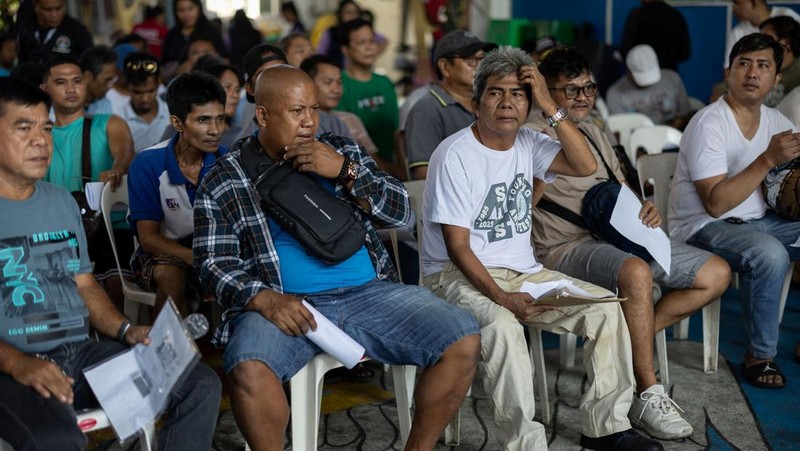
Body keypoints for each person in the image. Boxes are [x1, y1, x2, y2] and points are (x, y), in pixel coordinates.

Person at [193, 64, 480, 450]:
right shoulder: (225, 178)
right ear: (262, 115)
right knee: (249, 365)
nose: (310, 121)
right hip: (285, 303)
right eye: (297, 112)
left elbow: (402, 212)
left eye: (313, 109)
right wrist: (264, 299)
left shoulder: (340, 150)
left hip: (369, 293)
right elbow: (212, 263)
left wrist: (346, 171)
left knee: (461, 335)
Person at [420, 45, 662, 451]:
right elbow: (457, 247)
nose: (508, 102)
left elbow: (585, 165)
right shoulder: (455, 154)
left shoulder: (529, 142)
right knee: (502, 326)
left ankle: (606, 428)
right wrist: (503, 298)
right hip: (453, 274)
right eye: (496, 92)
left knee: (605, 309)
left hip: (523, 271)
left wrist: (551, 105)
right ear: (476, 101)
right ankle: (525, 443)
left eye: (518, 93)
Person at [0, 76, 221, 451]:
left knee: (199, 384)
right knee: (57, 437)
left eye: (47, 128)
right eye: (24, 128)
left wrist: (125, 330)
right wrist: (17, 363)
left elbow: (85, 284)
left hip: (80, 355)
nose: (41, 140)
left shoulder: (60, 202)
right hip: (11, 368)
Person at [528, 47, 731, 440]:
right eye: (570, 91)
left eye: (589, 87)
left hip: (620, 235)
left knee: (716, 273)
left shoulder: (596, 131)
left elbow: (618, 188)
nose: (584, 97)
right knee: (636, 274)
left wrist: (646, 209)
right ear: (546, 94)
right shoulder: (531, 135)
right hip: (566, 247)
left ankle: (625, 341)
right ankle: (646, 391)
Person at [668, 33, 800, 389]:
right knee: (768, 254)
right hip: (703, 225)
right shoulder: (709, 122)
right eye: (743, 64)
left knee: (770, 242)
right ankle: (760, 355)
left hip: (760, 221)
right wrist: (768, 158)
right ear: (728, 73)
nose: (752, 73)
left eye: (763, 66)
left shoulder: (778, 122)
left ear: (775, 79)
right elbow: (716, 202)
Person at [128, 72, 227, 317]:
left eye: (220, 119)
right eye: (203, 120)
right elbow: (148, 239)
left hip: (217, 249)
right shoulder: (148, 163)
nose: (214, 130)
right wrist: (196, 258)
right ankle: (169, 352)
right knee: (170, 276)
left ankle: (230, 348)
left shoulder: (229, 161)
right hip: (163, 253)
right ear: (178, 123)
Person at [39, 56, 135, 307]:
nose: (71, 89)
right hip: (57, 232)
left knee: (116, 284)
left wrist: (117, 168)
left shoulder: (108, 123)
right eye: (61, 82)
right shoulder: (40, 135)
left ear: (86, 83)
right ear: (45, 88)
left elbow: (125, 150)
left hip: (109, 228)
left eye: (77, 81)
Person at [405, 30, 497, 180]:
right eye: (471, 60)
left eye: (481, 59)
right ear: (445, 67)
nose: (479, 66)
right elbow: (423, 174)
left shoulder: (487, 103)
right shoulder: (427, 109)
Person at [234, 44, 349, 142]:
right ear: (250, 88)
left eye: (283, 71)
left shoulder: (333, 124)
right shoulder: (243, 148)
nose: (309, 122)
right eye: (265, 75)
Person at [337, 18, 402, 175]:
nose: (369, 47)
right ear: (346, 49)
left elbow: (396, 133)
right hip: (358, 171)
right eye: (361, 42)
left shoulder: (385, 82)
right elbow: (346, 140)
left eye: (372, 41)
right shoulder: (338, 84)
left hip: (391, 168)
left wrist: (401, 168)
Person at [606, 44, 693, 130]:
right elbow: (621, 132)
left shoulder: (672, 78)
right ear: (628, 70)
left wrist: (679, 122)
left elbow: (686, 114)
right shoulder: (615, 94)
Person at [115, 52, 170, 152]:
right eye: (138, 92)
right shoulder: (118, 121)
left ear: (159, 83)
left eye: (150, 91)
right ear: (127, 87)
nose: (145, 99)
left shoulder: (172, 115)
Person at [162, 0, 226, 82]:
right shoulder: (172, 35)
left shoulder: (210, 32)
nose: (186, 14)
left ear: (199, 8)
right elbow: (164, 64)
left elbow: (225, 59)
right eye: (181, 10)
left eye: (190, 9)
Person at [724, 0, 800, 69]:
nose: (733, 9)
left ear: (754, 2)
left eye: (737, 3)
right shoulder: (737, 32)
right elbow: (729, 68)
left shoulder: (788, 15)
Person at [620, 0, 690, 71]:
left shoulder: (636, 15)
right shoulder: (676, 15)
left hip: (641, 75)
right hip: (668, 73)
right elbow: (684, 53)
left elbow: (626, 49)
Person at [16, 0, 93, 64]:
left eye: (59, 8)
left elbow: (88, 64)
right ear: (36, 7)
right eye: (48, 9)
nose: (54, 14)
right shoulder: (27, 27)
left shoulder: (78, 31)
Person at [194, 61, 244, 147]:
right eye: (227, 87)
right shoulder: (185, 132)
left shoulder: (242, 137)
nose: (235, 95)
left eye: (237, 90)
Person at [760, 16, 800, 106]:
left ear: (786, 43)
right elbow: (725, 88)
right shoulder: (757, 65)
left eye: (767, 39)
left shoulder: (797, 74)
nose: (760, 43)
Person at [79, 45, 118, 115]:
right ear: (88, 77)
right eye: (107, 80)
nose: (110, 86)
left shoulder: (105, 104)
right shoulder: (62, 104)